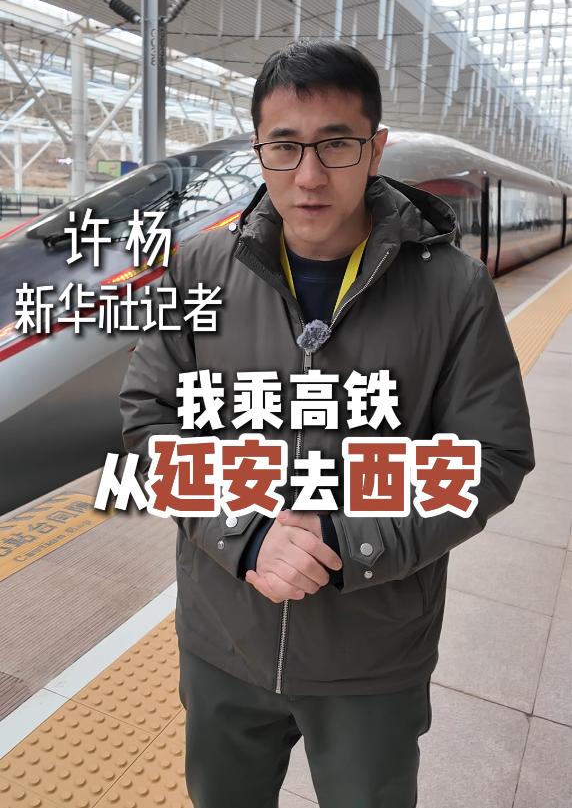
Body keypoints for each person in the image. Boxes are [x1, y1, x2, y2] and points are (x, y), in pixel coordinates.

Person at [119, 40, 534, 808]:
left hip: (373, 654)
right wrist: (242, 531)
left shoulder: (454, 289)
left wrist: (349, 540)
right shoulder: (198, 271)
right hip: (224, 640)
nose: (308, 175)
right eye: (284, 146)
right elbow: (149, 418)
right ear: (259, 150)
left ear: (375, 148)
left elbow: (491, 455)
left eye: (336, 144)